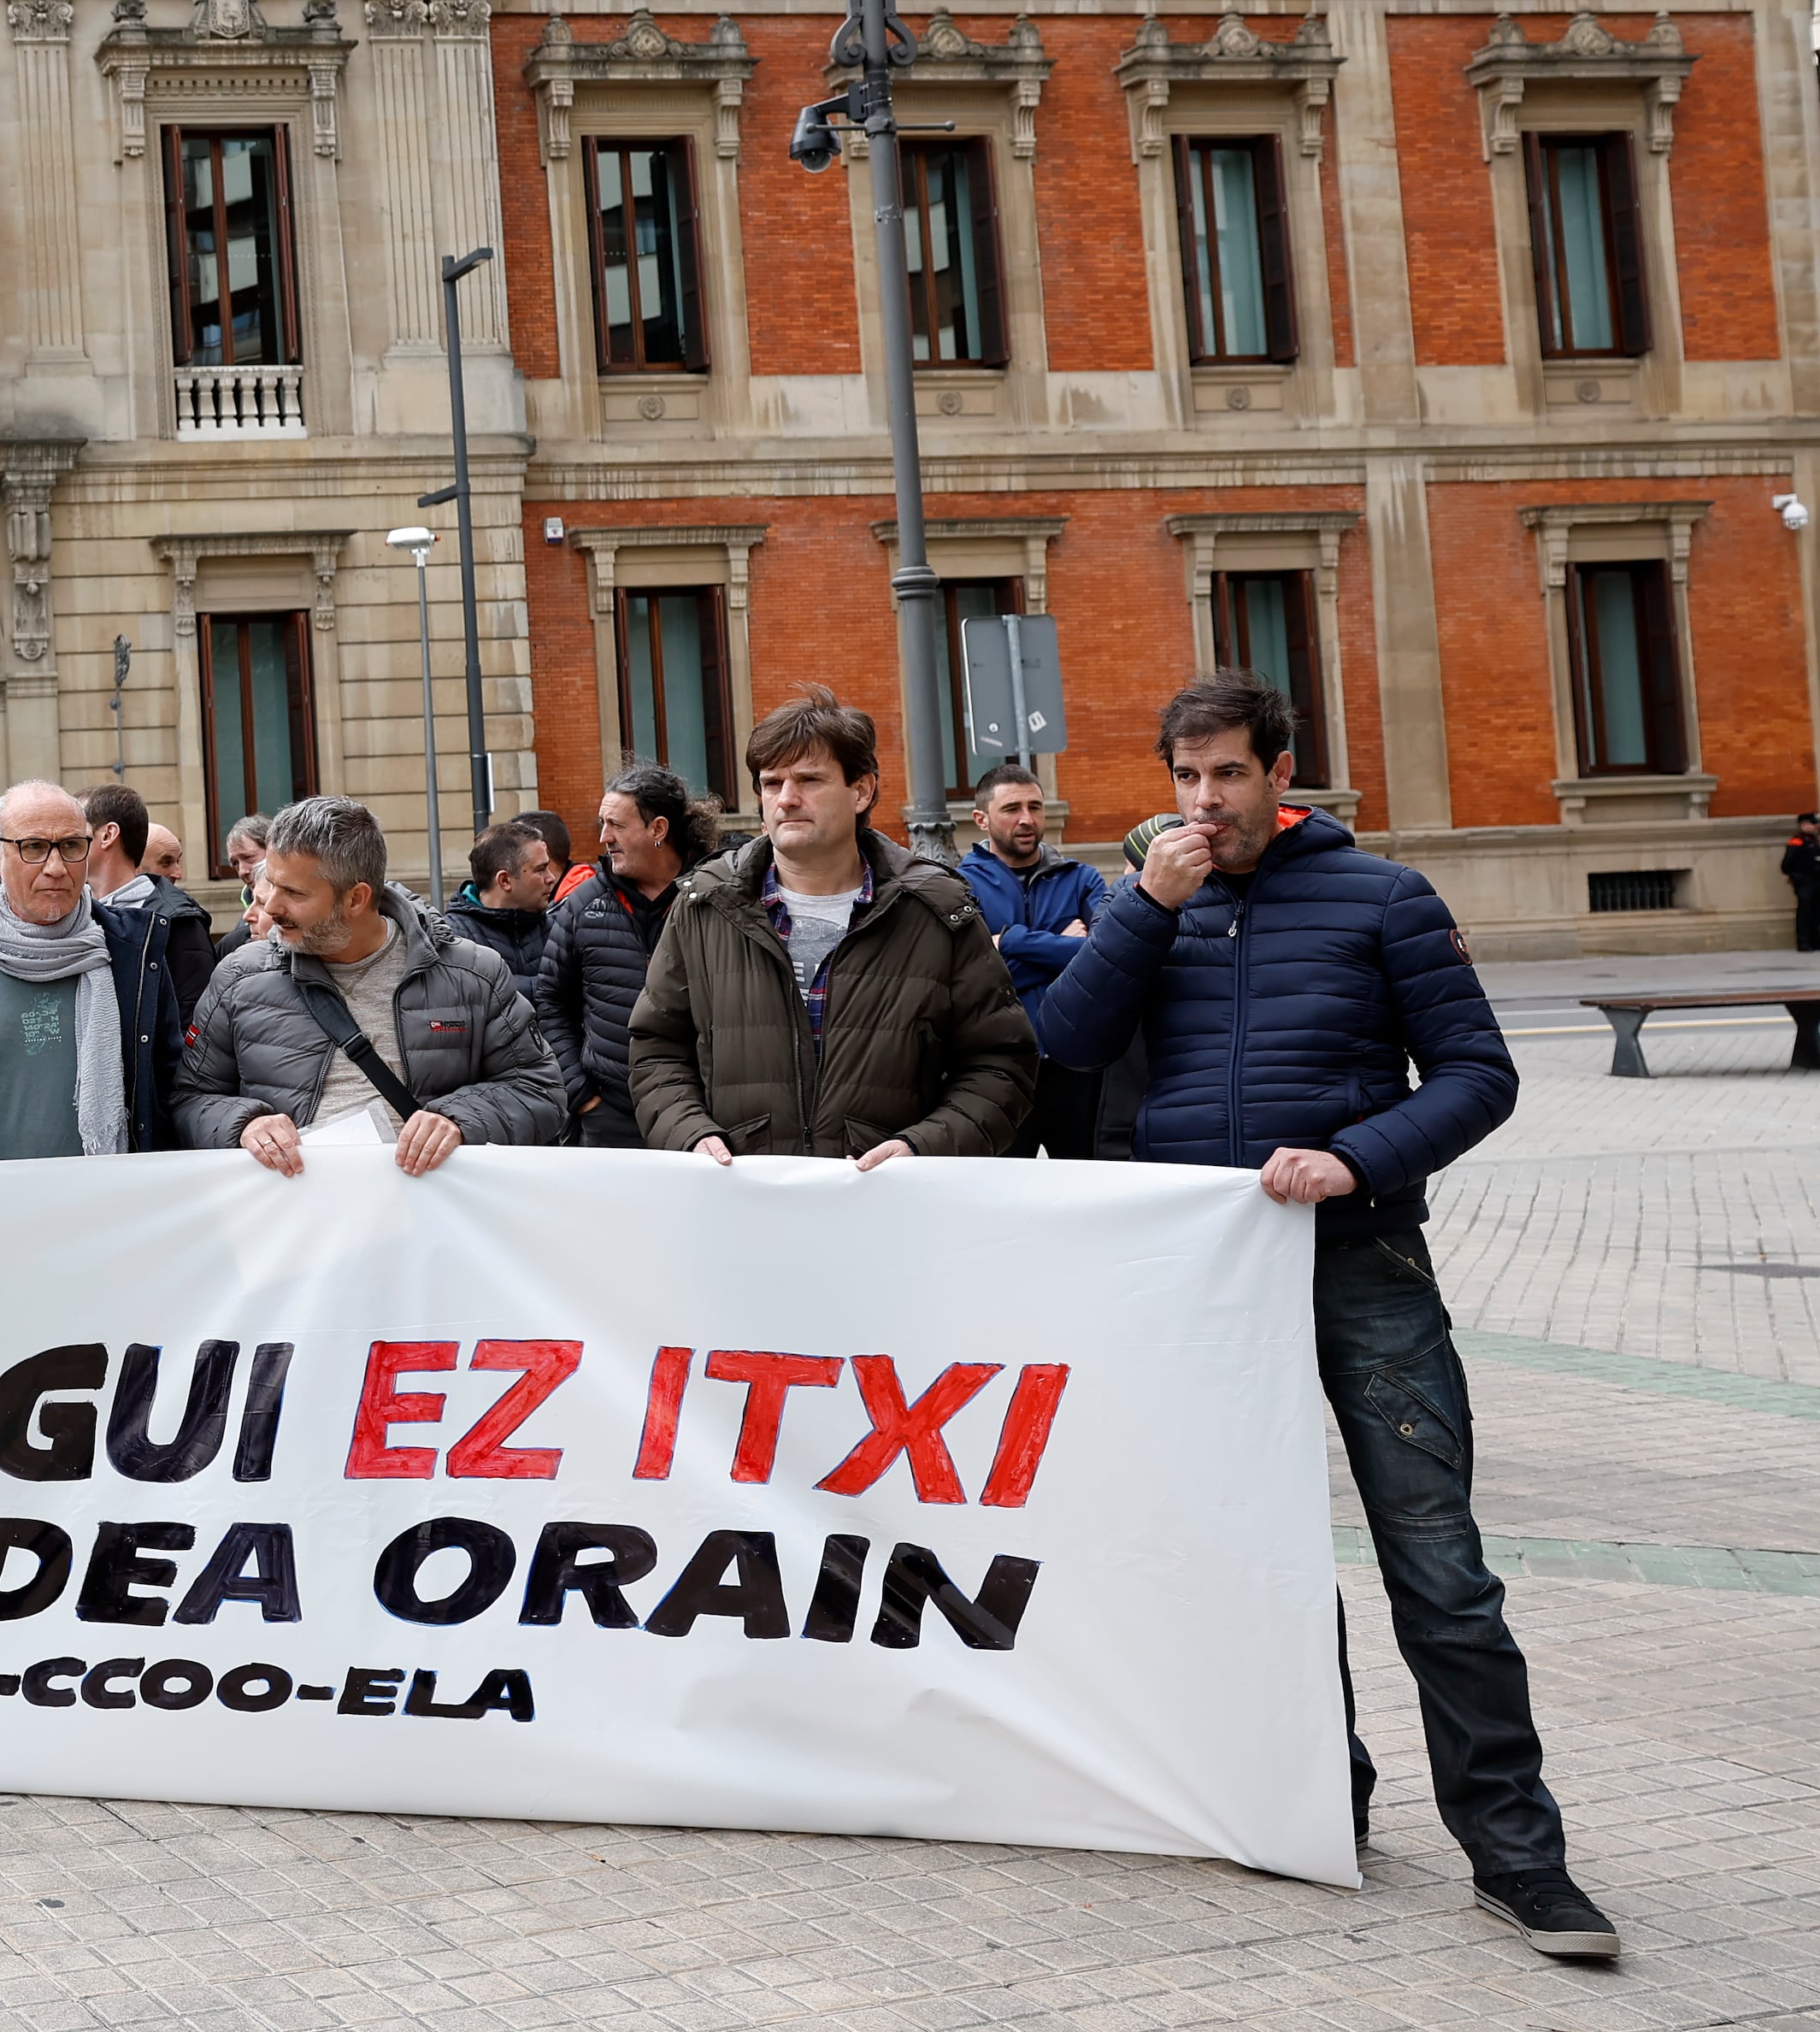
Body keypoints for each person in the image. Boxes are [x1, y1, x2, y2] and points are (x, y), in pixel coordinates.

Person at [1028, 672, 1606, 1958]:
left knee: (1439, 1569)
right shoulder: (1152, 904)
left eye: (1228, 774)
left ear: (1283, 771)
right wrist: (1142, 915)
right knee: (1260, 1565)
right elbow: (1065, 1044)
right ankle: (1317, 1800)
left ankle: (1519, 1853)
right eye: (1185, 778)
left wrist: (1358, 1157)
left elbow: (1479, 1075)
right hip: (1212, 1285)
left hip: (1359, 1264)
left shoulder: (1383, 897)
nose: (1205, 802)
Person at [627, 690, 1035, 1165]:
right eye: (772, 783)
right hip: (741, 1201)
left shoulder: (936, 910)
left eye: (809, 780)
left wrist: (922, 1147)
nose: (787, 799)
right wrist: (690, 1133)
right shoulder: (704, 906)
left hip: (885, 1207)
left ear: (861, 790)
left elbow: (1002, 1064)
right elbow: (656, 1049)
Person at [174, 795, 563, 1175]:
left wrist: (459, 1120)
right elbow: (187, 1099)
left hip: (428, 1227)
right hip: (292, 1227)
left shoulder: (472, 973)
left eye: (293, 892)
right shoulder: (239, 977)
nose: (271, 908)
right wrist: (244, 1124)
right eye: (272, 885)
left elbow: (540, 1092)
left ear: (356, 898)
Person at [0, 780, 182, 1158]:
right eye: (33, 847)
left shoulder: (134, 953)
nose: (55, 868)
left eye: (71, 846)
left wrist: (242, 1122)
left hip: (113, 1203)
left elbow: (176, 1087)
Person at [538, 766, 713, 1144]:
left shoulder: (715, 898)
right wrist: (582, 1096)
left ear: (658, 830)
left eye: (616, 824)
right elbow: (550, 1001)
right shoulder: (582, 907)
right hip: (610, 1119)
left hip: (705, 1118)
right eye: (603, 824)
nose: (604, 838)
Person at [957, 761, 1109, 1159]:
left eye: (1035, 807)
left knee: (1086, 1191)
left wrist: (1008, 940)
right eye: (1011, 809)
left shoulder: (1083, 879)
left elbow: (1102, 958)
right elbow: (970, 977)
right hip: (999, 1066)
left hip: (1075, 1064)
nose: (1027, 819)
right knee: (1005, 1199)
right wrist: (1061, 950)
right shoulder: (958, 886)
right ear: (982, 819)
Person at [81, 780, 220, 1020]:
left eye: (76, 834)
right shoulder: (74, 912)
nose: (64, 845)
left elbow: (196, 1024)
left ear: (107, 835)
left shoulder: (177, 921)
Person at [443, 818, 557, 998]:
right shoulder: (455, 938)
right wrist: (551, 988)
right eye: (540, 869)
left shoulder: (557, 928)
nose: (551, 878)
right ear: (504, 881)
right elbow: (475, 996)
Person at [1787, 810, 1820, 951]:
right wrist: (1798, 877)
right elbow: (1786, 865)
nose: (1816, 826)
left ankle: (1815, 941)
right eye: (1814, 824)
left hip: (1817, 881)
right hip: (1805, 882)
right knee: (1805, 913)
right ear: (1805, 825)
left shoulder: (1814, 841)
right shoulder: (1797, 841)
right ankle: (1803, 942)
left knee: (1816, 912)